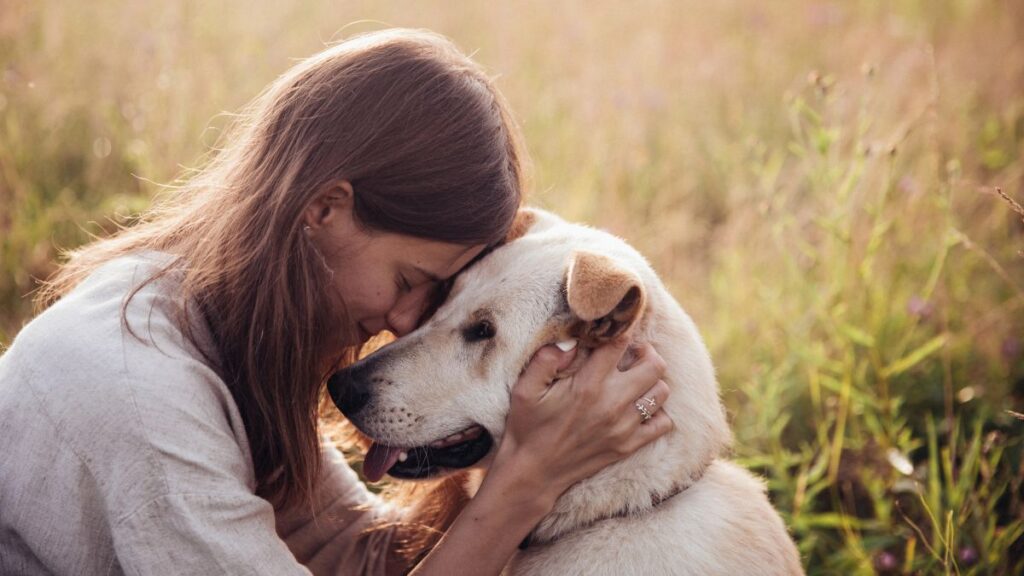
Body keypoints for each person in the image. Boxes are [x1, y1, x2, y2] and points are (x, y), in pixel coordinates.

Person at [0, 29, 671, 575]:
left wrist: (526, 433)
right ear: (325, 208)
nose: (406, 321)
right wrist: (529, 480)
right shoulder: (141, 398)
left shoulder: (221, 325)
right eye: (410, 283)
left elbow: (361, 558)